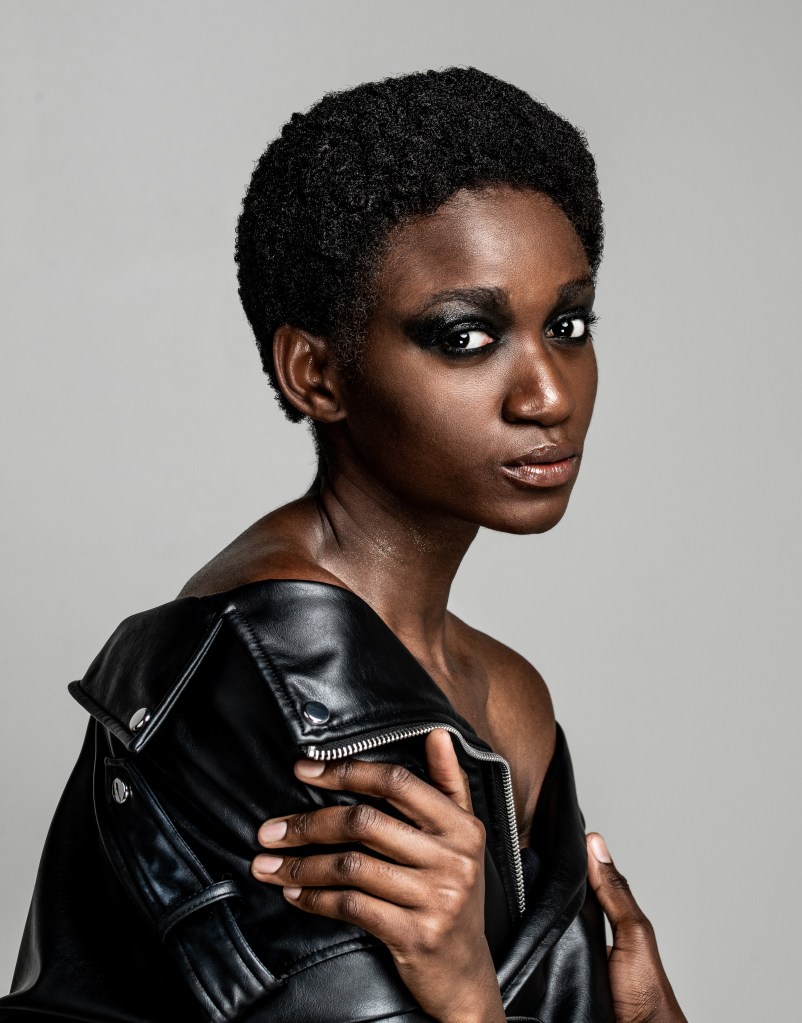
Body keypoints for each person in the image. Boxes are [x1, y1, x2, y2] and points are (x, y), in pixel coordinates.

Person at [1, 67, 687, 1023]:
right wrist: (467, 1002)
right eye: (466, 336)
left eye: (567, 324)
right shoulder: (258, 682)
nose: (549, 394)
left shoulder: (508, 694)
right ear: (316, 373)